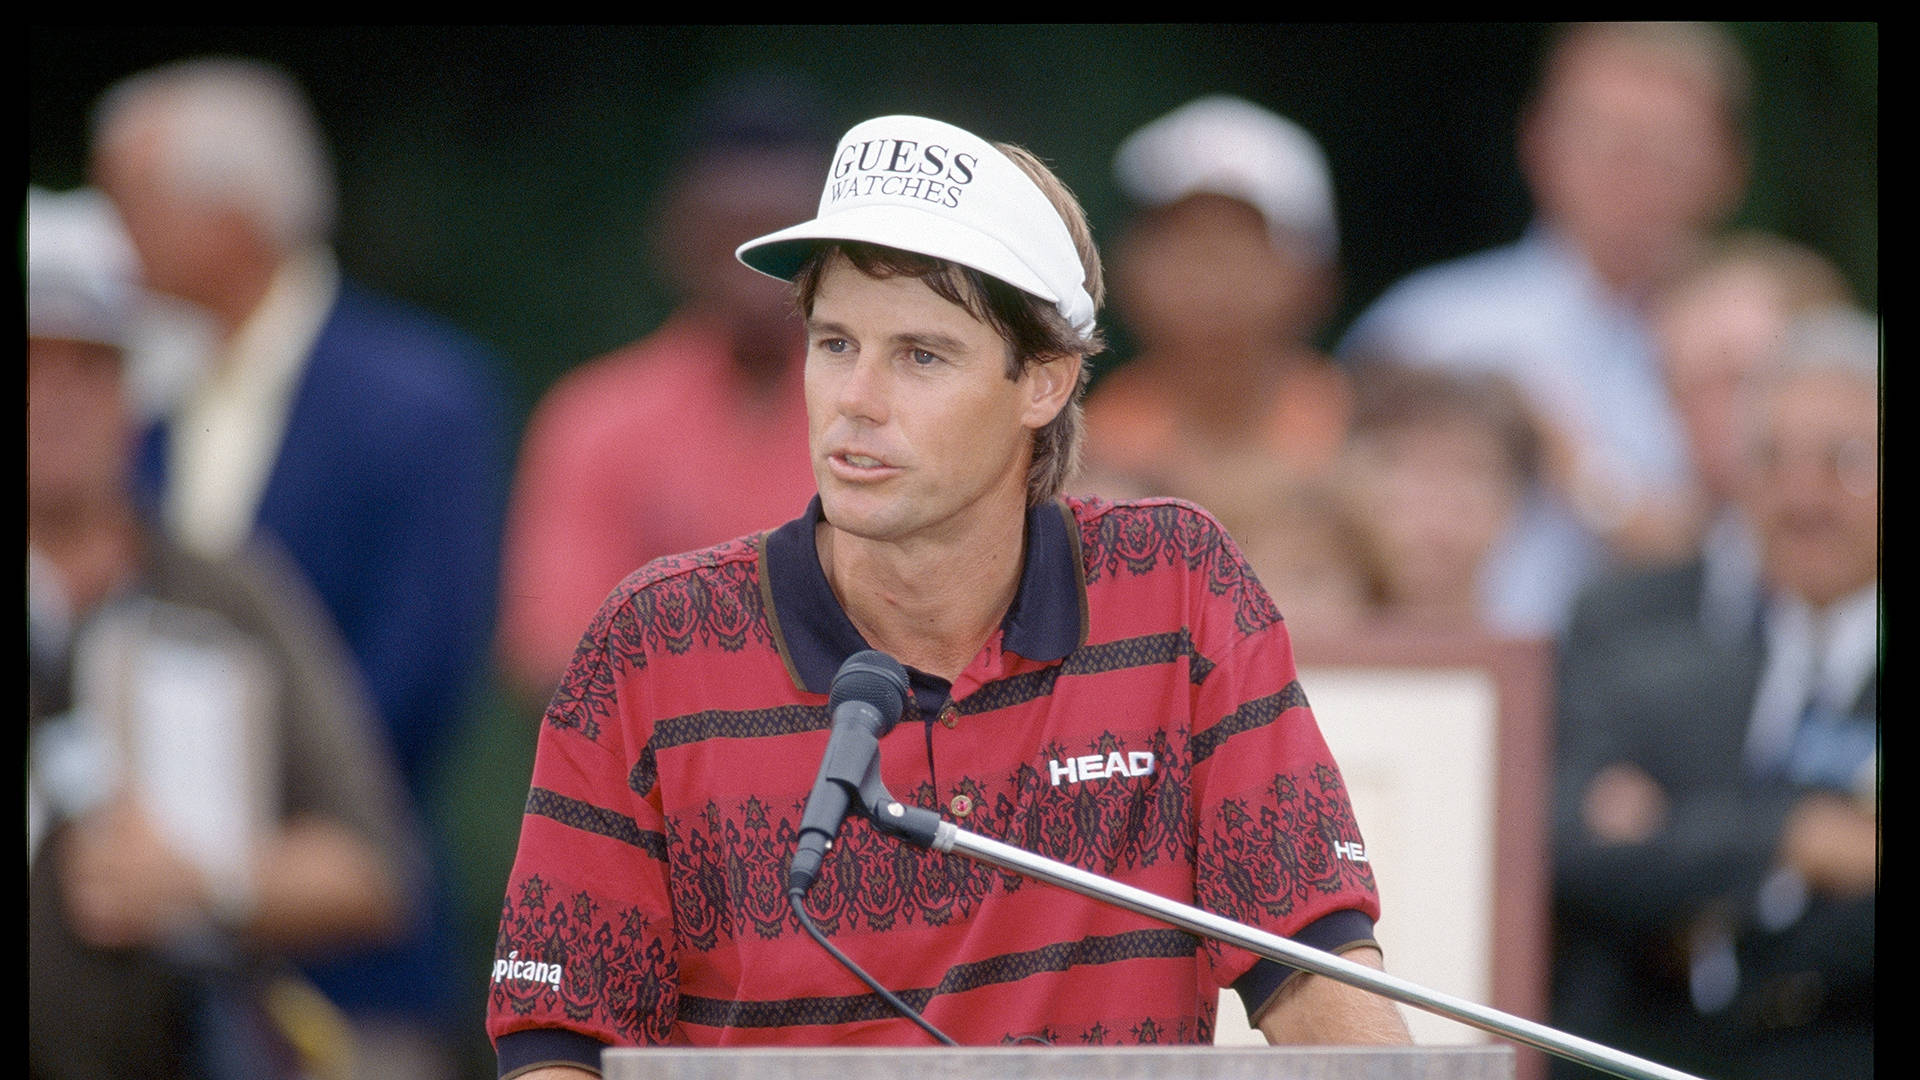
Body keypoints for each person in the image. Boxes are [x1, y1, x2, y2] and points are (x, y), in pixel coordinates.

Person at [487, 113, 1411, 1077]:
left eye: (921, 356)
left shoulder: (1177, 585)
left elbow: (1311, 968)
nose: (857, 397)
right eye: (836, 342)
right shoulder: (653, 642)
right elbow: (561, 1040)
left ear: (1044, 381)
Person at [89, 57, 512, 1079]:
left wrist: (239, 860)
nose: (108, 238)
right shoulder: (116, 404)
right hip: (124, 980)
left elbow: (419, 672)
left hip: (351, 973)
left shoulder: (423, 402)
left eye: (129, 202)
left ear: (228, 217)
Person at [28, 185, 423, 1080]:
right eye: (27, 368)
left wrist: (205, 885)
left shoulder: (229, 595)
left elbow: (372, 868)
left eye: (85, 368)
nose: (51, 401)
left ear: (136, 390)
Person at [1339, 22, 1753, 636]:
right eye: (1603, 137)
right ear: (1537, 142)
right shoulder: (1431, 330)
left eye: (1662, 146)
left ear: (1728, 167)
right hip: (1455, 688)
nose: (1627, 169)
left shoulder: (1755, 344)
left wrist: (1583, 475)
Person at [1550, 307, 1878, 1080]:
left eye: (1846, 461)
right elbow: (1575, 855)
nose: (1803, 499)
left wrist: (1680, 844)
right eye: (1769, 461)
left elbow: (1641, 866)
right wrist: (1795, 839)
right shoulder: (1639, 645)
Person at [496, 72, 832, 703]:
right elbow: (554, 653)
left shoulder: (884, 412)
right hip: (654, 783)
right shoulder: (596, 419)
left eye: (783, 246)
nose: (756, 278)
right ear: (678, 239)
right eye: (730, 243)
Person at [1082, 94, 1351, 510]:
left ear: (1315, 278)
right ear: (1127, 269)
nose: (1209, 280)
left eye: (1239, 248)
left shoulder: (1360, 432)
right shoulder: (1087, 452)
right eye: (1183, 245)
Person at [1335, 362, 1541, 633]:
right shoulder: (1289, 655)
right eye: (1410, 469)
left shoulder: (1549, 660)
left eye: (1468, 472)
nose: (1437, 503)